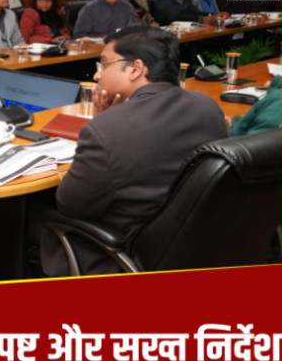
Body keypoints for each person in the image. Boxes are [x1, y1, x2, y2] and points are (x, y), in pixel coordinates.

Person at [38, 26, 228, 276]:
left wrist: (102, 122)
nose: (97, 75)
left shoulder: (106, 129)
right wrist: (109, 120)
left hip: (117, 252)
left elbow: (70, 205)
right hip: (186, 248)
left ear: (136, 69)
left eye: (105, 64)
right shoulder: (208, 108)